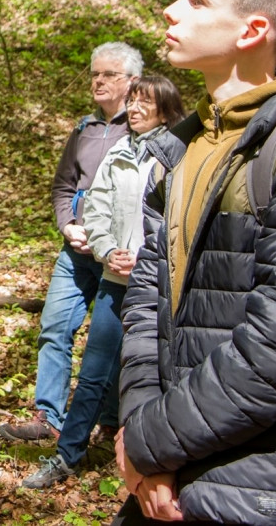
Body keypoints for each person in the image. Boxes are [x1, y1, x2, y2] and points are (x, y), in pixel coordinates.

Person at [114, 0, 276, 525]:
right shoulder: (183, 148)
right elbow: (143, 302)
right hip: (174, 472)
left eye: (197, 0)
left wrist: (151, 442)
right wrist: (141, 432)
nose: (171, 8)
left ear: (253, 30)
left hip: (262, 485)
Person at [22, 76, 184, 489]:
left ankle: (161, 460)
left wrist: (147, 256)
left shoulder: (180, 153)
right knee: (94, 370)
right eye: (132, 101)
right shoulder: (118, 151)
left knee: (161, 372)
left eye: (145, 101)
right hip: (116, 276)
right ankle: (67, 455)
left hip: (160, 284)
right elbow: (95, 207)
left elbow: (180, 219)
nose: (135, 108)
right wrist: (109, 250)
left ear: (165, 108)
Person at [0, 42, 141, 442]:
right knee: (55, 328)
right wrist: (67, 225)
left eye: (108, 74)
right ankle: (49, 418)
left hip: (119, 254)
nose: (97, 80)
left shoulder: (146, 129)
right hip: (77, 251)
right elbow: (63, 186)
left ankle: (111, 422)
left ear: (132, 81)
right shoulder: (85, 129)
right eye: (94, 73)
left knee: (112, 340)